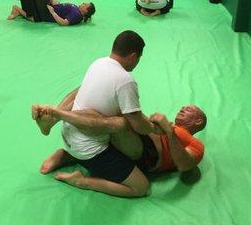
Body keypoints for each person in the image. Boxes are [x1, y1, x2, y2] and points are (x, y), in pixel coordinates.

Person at [30, 31, 161, 197]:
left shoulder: (98, 63)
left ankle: (66, 154)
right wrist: (155, 128)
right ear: (134, 56)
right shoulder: (126, 80)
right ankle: (82, 180)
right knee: (141, 187)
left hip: (69, 133)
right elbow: (138, 126)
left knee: (85, 92)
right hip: (89, 150)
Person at [33, 104, 206, 176]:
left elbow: (184, 165)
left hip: (146, 157)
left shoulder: (195, 144)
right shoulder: (167, 123)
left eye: (189, 109)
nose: (183, 108)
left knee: (118, 123)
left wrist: (169, 132)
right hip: (137, 140)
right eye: (184, 107)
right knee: (112, 99)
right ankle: (52, 119)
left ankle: (67, 154)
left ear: (198, 121)